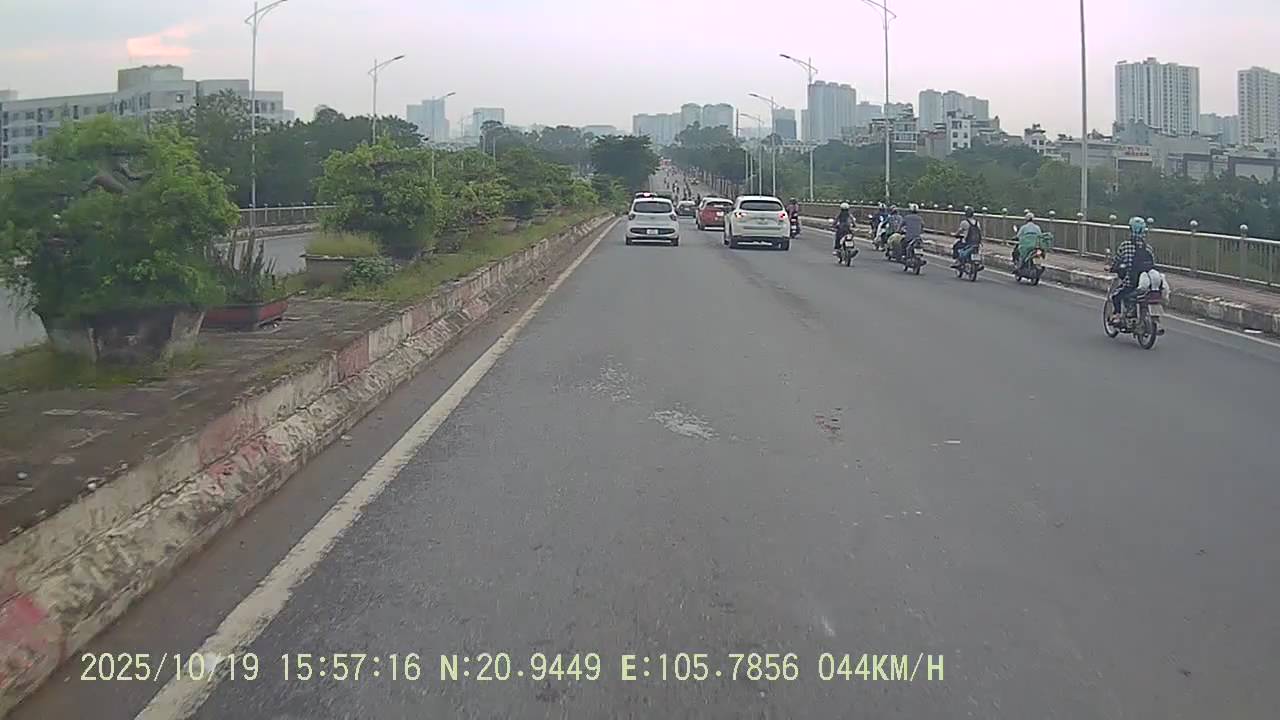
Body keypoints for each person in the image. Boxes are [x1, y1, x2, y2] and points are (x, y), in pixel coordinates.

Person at [1108, 217, 1157, 324]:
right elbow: (1153, 264)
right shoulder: (1148, 248)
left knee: (1115, 296)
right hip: (1147, 283)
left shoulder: (1125, 246)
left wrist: (1112, 268)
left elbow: (1117, 260)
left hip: (1131, 282)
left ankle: (1117, 316)